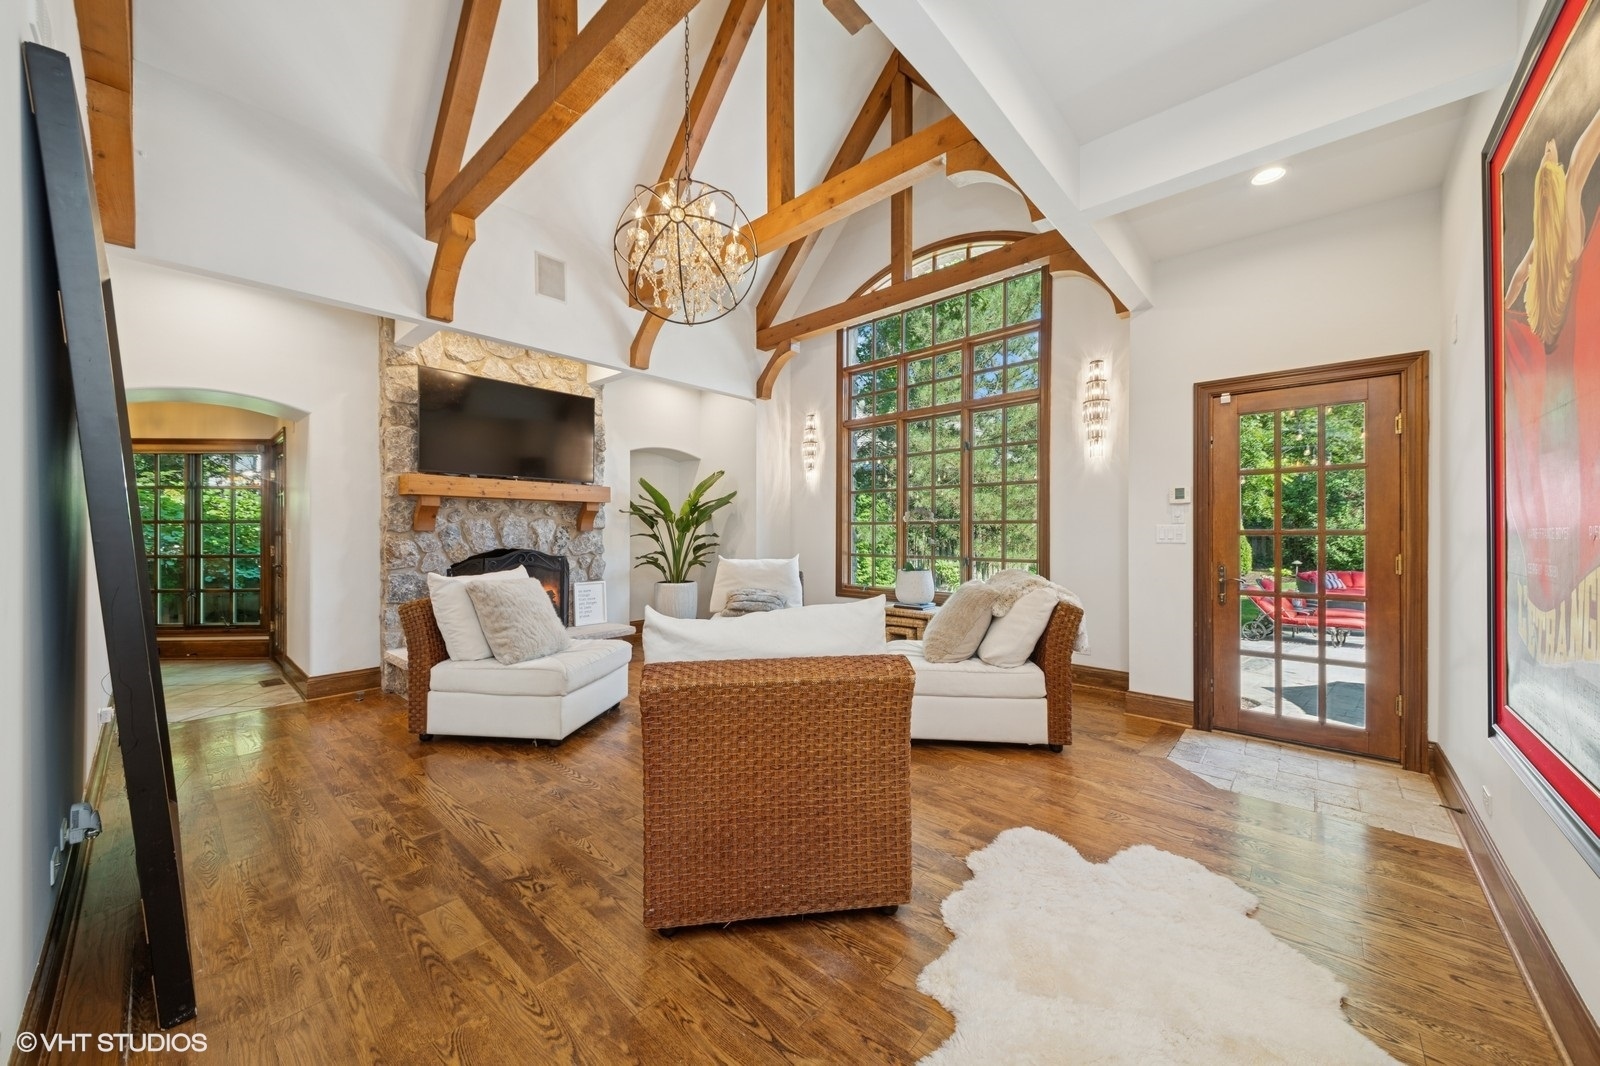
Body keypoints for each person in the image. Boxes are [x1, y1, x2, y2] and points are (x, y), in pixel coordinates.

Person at [1501, 103, 1600, 632]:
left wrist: (1510, 298)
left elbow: (1516, 280)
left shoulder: (1553, 251)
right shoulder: (1564, 237)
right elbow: (1582, 159)